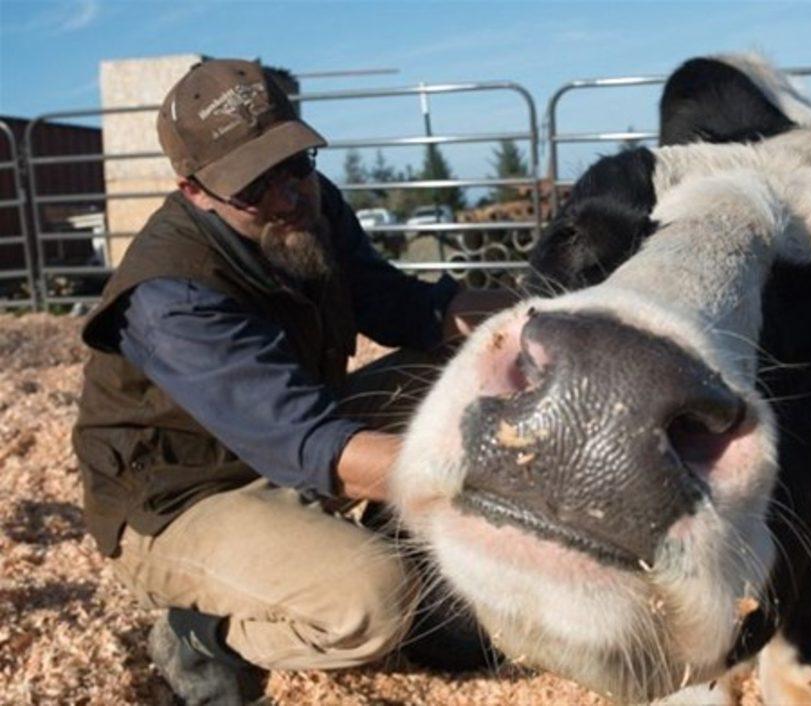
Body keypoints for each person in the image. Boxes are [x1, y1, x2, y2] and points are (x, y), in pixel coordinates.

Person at [72, 59, 512, 704]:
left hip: (292, 429)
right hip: (186, 496)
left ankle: (414, 571)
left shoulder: (310, 206)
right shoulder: (172, 297)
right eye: (254, 184)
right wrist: (501, 473)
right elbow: (311, 446)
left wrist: (529, 320)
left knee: (464, 366)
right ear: (193, 190)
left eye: (295, 163)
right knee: (373, 599)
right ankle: (203, 634)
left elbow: (392, 302)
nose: (286, 195)